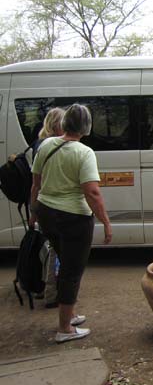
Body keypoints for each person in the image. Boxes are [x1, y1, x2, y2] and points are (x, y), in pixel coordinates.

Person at [29, 104, 112, 343]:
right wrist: (106, 222)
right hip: (73, 218)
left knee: (65, 262)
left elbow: (36, 184)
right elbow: (92, 192)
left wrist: (33, 213)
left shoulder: (46, 145)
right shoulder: (84, 153)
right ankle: (64, 328)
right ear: (86, 126)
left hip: (47, 213)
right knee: (71, 271)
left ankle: (70, 314)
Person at [33, 107, 66, 309]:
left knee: (49, 248)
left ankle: (44, 287)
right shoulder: (49, 145)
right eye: (63, 123)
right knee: (55, 251)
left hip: (44, 205)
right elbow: (40, 181)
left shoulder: (40, 143)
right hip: (52, 205)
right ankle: (51, 293)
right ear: (55, 125)